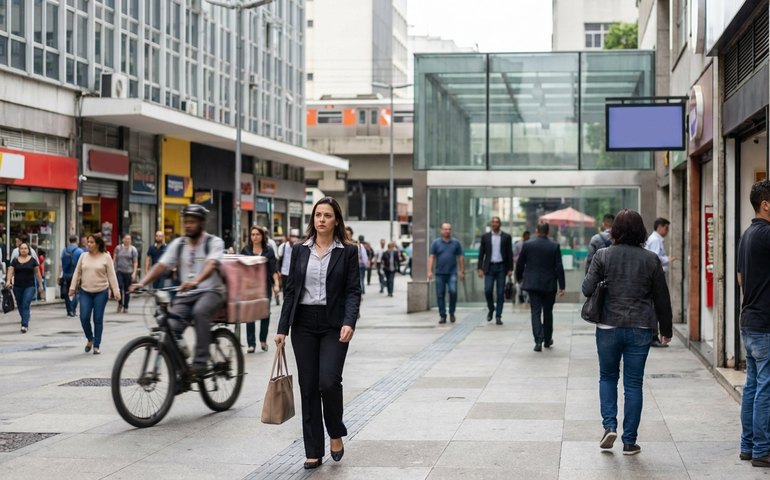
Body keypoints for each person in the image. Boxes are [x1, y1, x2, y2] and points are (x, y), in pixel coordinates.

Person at [275, 196, 361, 470]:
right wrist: (281, 329)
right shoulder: (299, 250)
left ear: (336, 220)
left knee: (328, 382)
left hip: (334, 323)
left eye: (327, 215)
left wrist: (350, 321)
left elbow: (353, 290)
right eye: (317, 215)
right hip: (304, 324)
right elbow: (291, 291)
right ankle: (313, 450)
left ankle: (335, 432)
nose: (321, 219)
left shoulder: (347, 251)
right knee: (309, 386)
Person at [582, 208, 672, 456]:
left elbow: (587, 288)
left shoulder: (602, 255)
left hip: (608, 327)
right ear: (641, 231)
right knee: (634, 384)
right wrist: (666, 329)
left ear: (615, 231)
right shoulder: (651, 259)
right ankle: (630, 441)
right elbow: (662, 298)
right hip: (641, 328)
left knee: (608, 377)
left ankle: (609, 425)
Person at [130, 205, 225, 374]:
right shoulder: (179, 244)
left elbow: (211, 264)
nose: (188, 225)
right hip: (186, 294)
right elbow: (161, 265)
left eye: (192, 222)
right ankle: (181, 373)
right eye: (186, 222)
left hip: (211, 292)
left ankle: (201, 362)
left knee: (199, 311)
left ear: (202, 223)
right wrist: (142, 283)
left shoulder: (214, 242)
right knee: (169, 329)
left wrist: (196, 280)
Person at [737, 180, 770, 467]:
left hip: (748, 319)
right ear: (766, 204)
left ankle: (748, 446)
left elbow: (739, 278)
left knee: (752, 386)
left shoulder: (747, 235)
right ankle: (762, 450)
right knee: (765, 389)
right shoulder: (768, 234)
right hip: (765, 323)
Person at [515, 223, 565, 351]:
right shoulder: (554, 245)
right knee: (548, 312)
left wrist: (519, 278)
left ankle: (538, 341)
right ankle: (547, 340)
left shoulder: (528, 244)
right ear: (548, 232)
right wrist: (562, 285)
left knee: (535, 312)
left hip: (533, 284)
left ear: (537, 231)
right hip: (549, 284)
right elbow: (558, 266)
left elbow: (520, 263)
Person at [69, 235, 121, 354]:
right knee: (84, 317)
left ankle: (96, 345)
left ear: (98, 244)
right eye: (88, 242)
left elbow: (112, 275)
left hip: (101, 292)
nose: (89, 244)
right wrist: (72, 287)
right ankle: (90, 338)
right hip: (85, 291)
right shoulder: (83, 256)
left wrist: (116, 291)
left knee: (98, 319)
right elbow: (77, 272)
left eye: (92, 242)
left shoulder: (106, 257)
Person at [240, 225, 279, 353]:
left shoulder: (268, 251)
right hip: (250, 288)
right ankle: (251, 344)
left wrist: (276, 285)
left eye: (257, 234)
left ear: (262, 236)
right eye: (253, 235)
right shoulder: (245, 251)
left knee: (265, 315)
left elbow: (273, 270)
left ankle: (263, 340)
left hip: (264, 287)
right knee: (250, 315)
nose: (255, 237)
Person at [644, 217, 676, 348]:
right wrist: (667, 259)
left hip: (654, 277)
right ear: (660, 227)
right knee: (657, 306)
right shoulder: (655, 240)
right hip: (656, 278)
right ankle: (654, 336)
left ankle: (654, 335)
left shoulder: (655, 239)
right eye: (666, 228)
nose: (667, 231)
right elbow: (655, 258)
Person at [477, 216, 513, 325]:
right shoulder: (485, 237)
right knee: (488, 290)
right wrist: (480, 268)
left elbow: (509, 253)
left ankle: (498, 316)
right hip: (489, 267)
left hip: (501, 267)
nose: (494, 224)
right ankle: (491, 308)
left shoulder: (506, 237)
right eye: (493, 222)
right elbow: (481, 254)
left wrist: (510, 268)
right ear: (491, 224)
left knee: (500, 292)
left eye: (497, 222)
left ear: (500, 224)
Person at [427, 223, 465, 324]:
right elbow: (432, 257)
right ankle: (442, 315)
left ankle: (452, 312)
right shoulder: (436, 243)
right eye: (445, 229)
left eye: (449, 229)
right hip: (439, 273)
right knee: (440, 295)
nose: (447, 231)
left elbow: (460, 257)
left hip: (452, 273)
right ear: (441, 230)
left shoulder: (456, 243)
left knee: (453, 292)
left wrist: (462, 271)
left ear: (451, 231)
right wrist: (429, 271)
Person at [6, 242, 44, 333]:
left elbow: (37, 273)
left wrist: (40, 285)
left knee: (26, 303)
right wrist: (8, 281)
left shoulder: (33, 260)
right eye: (22, 248)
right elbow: (10, 271)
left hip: (29, 286)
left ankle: (24, 325)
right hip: (17, 286)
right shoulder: (15, 260)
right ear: (19, 250)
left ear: (28, 250)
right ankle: (25, 318)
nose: (23, 250)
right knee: (19, 304)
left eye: (25, 248)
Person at [60, 235, 84, 317]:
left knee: (67, 292)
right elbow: (82, 264)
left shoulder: (64, 250)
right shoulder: (79, 251)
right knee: (76, 292)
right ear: (77, 240)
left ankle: (69, 310)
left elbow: (61, 264)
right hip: (75, 274)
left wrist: (60, 274)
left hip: (66, 274)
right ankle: (73, 310)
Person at [113, 234, 138, 313]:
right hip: (119, 271)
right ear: (123, 239)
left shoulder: (133, 249)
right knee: (119, 287)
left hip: (128, 272)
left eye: (129, 239)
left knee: (127, 290)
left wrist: (134, 272)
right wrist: (113, 270)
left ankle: (126, 306)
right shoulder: (118, 248)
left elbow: (135, 262)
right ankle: (120, 303)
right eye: (126, 239)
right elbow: (114, 259)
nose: (127, 240)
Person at [513, 231, 531, 304]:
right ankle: (521, 294)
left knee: (527, 281)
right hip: (520, 265)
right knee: (520, 281)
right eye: (526, 236)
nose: (527, 237)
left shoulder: (531, 245)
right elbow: (514, 256)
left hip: (528, 266)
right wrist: (520, 259)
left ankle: (526, 295)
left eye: (528, 236)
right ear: (523, 236)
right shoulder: (518, 245)